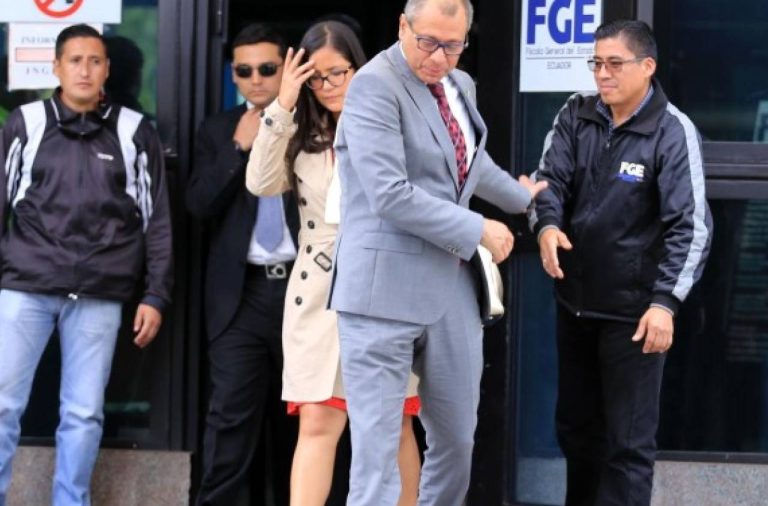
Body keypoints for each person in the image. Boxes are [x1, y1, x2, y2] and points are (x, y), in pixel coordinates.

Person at [328, 1, 548, 504]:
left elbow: (470, 164)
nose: (438, 57)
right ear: (402, 26)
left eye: (453, 45)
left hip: (449, 288)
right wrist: (478, 229)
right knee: (377, 459)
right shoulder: (372, 85)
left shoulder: (460, 83)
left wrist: (523, 199)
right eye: (427, 42)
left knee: (457, 441)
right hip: (380, 290)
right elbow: (389, 193)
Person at [530, 19, 713, 506]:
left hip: (636, 317)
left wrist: (665, 303)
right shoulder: (576, 113)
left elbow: (691, 226)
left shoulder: (672, 131)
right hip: (575, 305)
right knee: (576, 433)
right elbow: (548, 182)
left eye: (614, 64)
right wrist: (547, 226)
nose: (602, 74)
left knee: (627, 447)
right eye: (596, 63)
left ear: (647, 66)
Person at [245, 20, 421, 506]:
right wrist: (283, 102)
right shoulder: (300, 130)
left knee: (394, 422)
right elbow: (260, 182)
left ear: (358, 67)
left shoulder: (394, 121)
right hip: (319, 288)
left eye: (337, 73)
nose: (327, 86)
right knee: (318, 418)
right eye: (316, 78)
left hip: (385, 282)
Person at [0, 24, 172, 505]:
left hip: (99, 294)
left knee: (83, 413)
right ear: (56, 67)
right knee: (2, 404)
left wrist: (155, 294)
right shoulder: (27, 122)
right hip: (25, 288)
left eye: (95, 61)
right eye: (74, 60)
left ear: (107, 70)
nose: (84, 70)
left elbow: (157, 221)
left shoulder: (134, 131)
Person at [185, 23, 299, 506]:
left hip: (303, 291)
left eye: (267, 69)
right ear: (232, 74)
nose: (255, 80)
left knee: (305, 421)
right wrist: (238, 149)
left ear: (286, 68)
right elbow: (197, 205)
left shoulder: (313, 123)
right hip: (241, 296)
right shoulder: (219, 129)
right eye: (244, 71)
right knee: (230, 417)